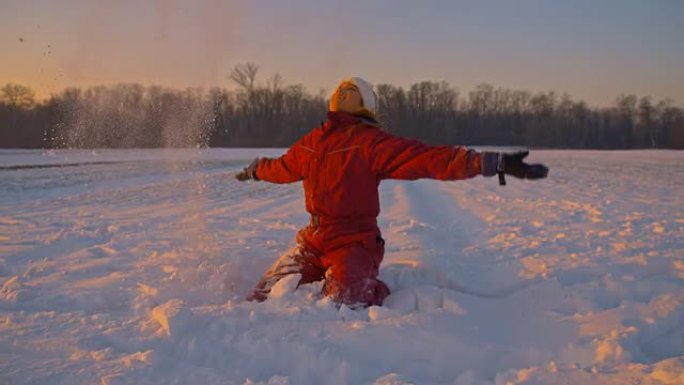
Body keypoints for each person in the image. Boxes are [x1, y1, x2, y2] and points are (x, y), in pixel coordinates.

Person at [235, 77, 548, 307]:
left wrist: (490, 161)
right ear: (369, 107)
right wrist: (255, 169)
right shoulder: (313, 143)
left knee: (345, 306)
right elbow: (281, 167)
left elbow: (428, 159)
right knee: (263, 297)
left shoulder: (371, 144)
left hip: (355, 246)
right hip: (314, 243)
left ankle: (379, 291)